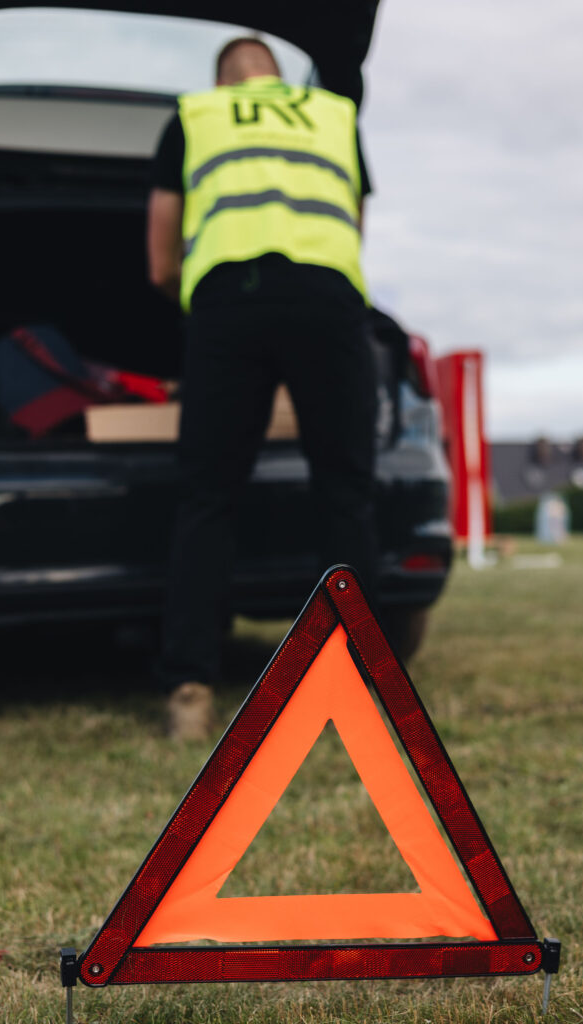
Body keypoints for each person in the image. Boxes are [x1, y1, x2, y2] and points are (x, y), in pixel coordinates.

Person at [148, 36, 378, 740]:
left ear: (223, 80)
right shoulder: (332, 115)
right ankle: (357, 687)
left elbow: (161, 249)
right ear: (278, 78)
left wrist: (191, 302)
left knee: (208, 495)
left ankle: (189, 688)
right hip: (326, 300)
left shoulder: (197, 115)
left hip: (230, 304)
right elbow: (355, 224)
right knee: (344, 488)